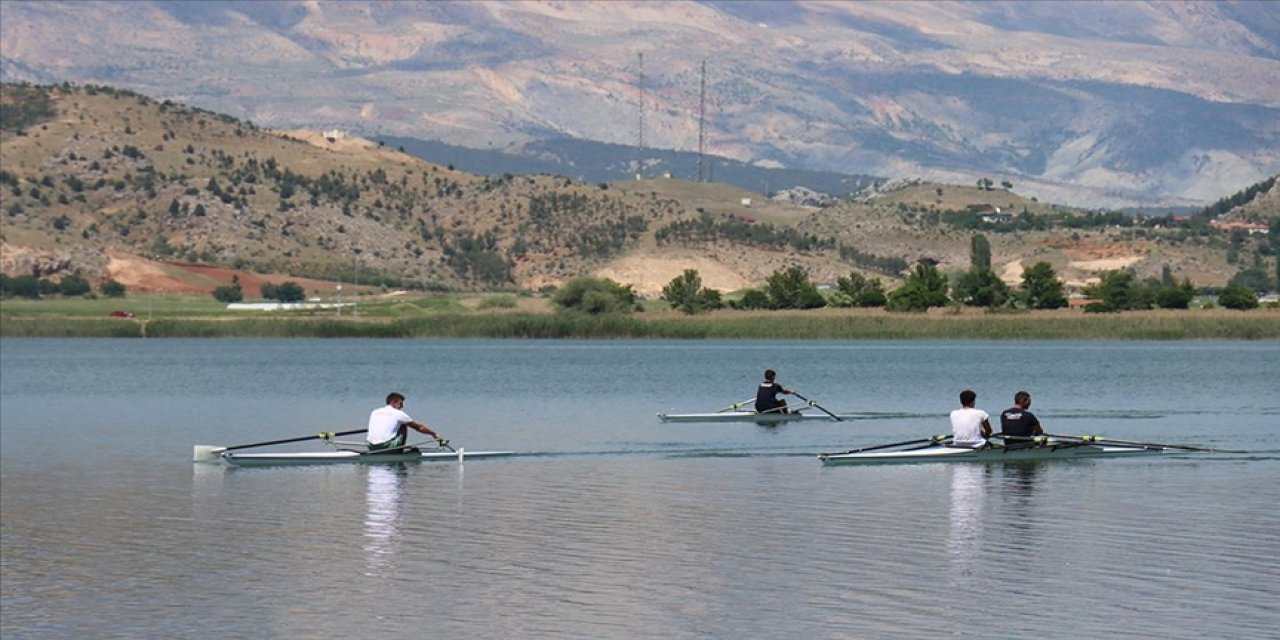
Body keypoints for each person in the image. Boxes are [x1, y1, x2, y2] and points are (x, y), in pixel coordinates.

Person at [367, 392, 440, 453]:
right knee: (403, 425)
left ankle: (379, 450)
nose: (402, 406)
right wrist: (433, 434)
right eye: (400, 403)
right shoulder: (398, 413)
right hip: (387, 447)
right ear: (393, 402)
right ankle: (399, 451)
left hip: (371, 446)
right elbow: (419, 427)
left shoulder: (375, 412)